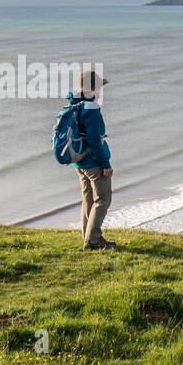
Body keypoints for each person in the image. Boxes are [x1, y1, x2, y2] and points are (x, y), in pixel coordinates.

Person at [70, 69, 117, 250]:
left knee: (88, 198)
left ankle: (87, 235)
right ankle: (93, 240)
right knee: (103, 199)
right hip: (93, 161)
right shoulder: (91, 109)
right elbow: (95, 140)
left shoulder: (74, 102)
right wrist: (106, 164)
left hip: (79, 161)